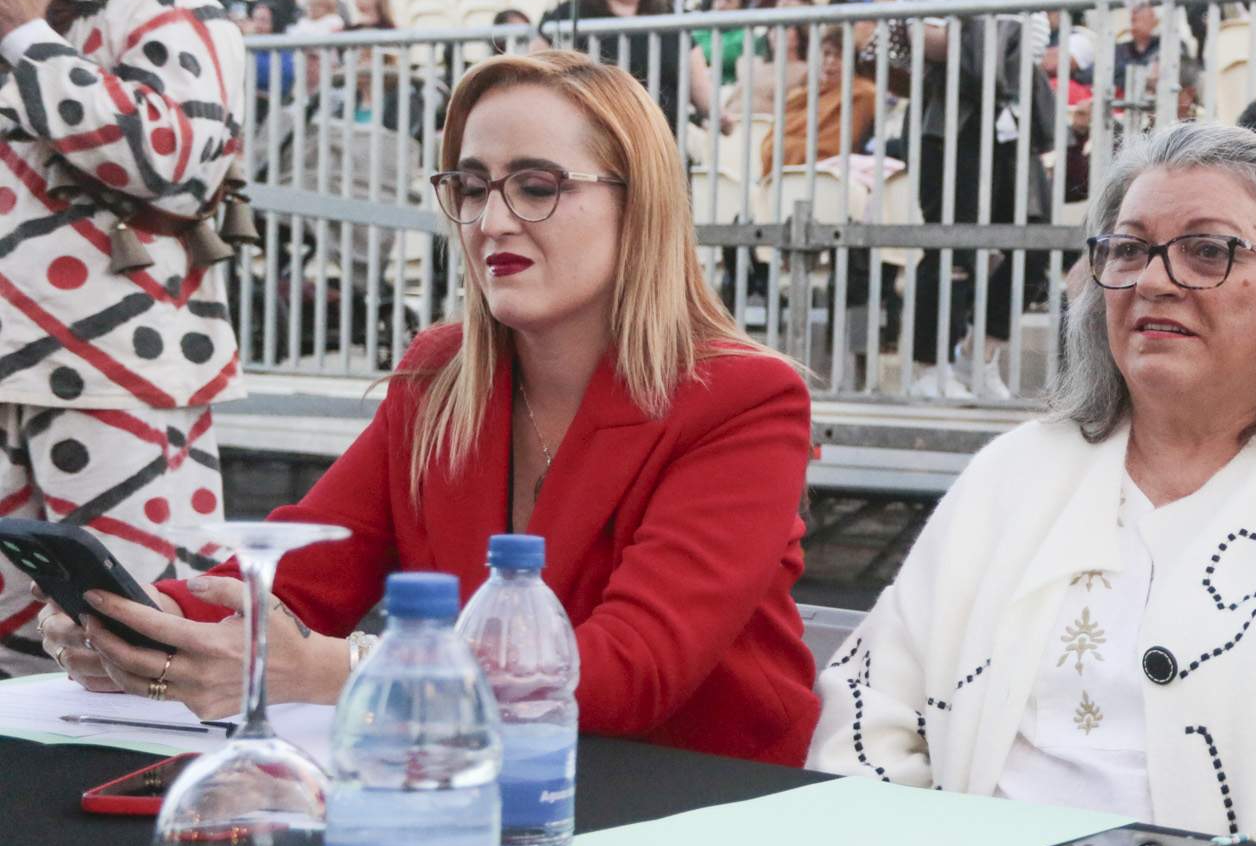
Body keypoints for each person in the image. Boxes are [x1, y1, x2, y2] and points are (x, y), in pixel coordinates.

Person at [41, 50, 823, 764]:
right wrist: (132, 623)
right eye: (472, 186)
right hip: (469, 786)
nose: (492, 220)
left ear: (639, 203)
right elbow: (299, 580)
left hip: (695, 811)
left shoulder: (745, 399)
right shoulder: (440, 376)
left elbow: (628, 672)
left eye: (538, 186)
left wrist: (340, 670)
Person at [809, 122, 1256, 846]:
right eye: (1127, 249)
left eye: (1208, 251)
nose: (1153, 280)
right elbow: (867, 717)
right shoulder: (1016, 471)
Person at [0, 0, 248, 673]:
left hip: (122, 375)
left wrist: (28, 37)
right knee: (20, 654)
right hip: (15, 367)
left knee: (133, 633)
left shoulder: (166, 4)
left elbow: (178, 161)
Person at [897, 0, 1053, 395]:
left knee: (1035, 238)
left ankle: (977, 356)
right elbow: (923, 32)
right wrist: (990, 44)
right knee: (954, 242)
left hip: (1008, 126)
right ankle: (926, 366)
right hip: (956, 123)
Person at [548, 0, 716, 127]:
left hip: (662, 147)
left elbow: (704, 97)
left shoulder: (670, 21)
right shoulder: (568, 15)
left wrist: (724, 118)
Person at [745, 24, 880, 167]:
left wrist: (781, 147)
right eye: (826, 53)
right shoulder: (801, 96)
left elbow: (833, 148)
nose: (830, 61)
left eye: (839, 56)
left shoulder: (863, 93)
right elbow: (771, 139)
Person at [693, 0, 747, 85]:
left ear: (741, 7)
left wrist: (696, 58)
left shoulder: (746, 35)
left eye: (728, 0)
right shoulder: (700, 31)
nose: (721, 5)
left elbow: (725, 57)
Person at [1110, 0, 1161, 94]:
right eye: (1133, 20)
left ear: (1155, 21)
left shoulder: (1169, 46)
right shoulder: (1120, 49)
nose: (1134, 25)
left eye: (1140, 20)